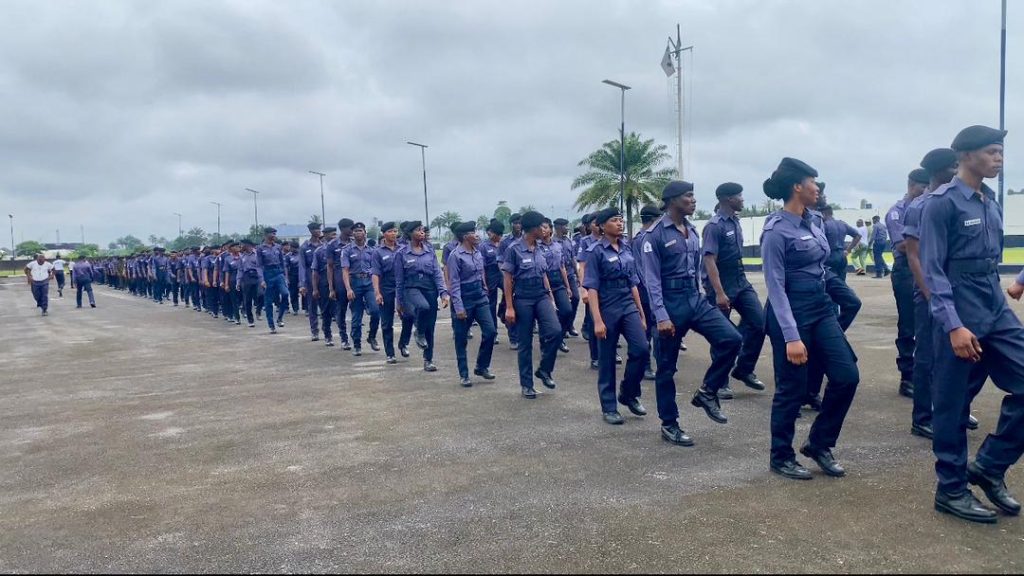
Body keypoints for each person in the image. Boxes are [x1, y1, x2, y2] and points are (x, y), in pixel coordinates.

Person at [920, 125, 1023, 524]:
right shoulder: (941, 203)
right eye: (991, 151)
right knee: (952, 405)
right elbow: (932, 270)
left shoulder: (990, 200)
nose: (999, 158)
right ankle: (950, 489)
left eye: (1001, 152)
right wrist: (953, 325)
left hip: (994, 306)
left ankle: (990, 466)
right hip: (958, 310)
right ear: (964, 156)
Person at [760, 158, 859, 481]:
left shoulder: (813, 221)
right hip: (791, 313)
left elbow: (821, 267)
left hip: (820, 308)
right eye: (813, 182)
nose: (817, 188)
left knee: (846, 376)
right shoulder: (776, 230)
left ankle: (819, 443)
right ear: (797, 187)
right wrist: (791, 336)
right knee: (792, 389)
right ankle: (781, 456)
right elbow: (775, 286)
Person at [643, 181, 742, 445]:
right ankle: (669, 424)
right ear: (672, 200)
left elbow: (696, 269)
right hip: (670, 303)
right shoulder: (654, 235)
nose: (694, 200)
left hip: (694, 298)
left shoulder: (693, 230)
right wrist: (661, 315)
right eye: (688, 196)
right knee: (666, 368)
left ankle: (708, 391)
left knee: (732, 339)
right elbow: (651, 280)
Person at [903, 147, 979, 440]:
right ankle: (923, 418)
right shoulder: (920, 206)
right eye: (953, 166)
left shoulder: (957, 201)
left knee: (963, 354)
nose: (958, 170)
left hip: (957, 291)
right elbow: (914, 256)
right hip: (929, 294)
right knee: (927, 357)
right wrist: (931, 296)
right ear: (939, 172)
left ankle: (955, 409)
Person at [701, 183, 767, 399]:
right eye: (739, 196)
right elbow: (710, 260)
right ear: (728, 199)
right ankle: (720, 382)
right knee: (722, 335)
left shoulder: (735, 222)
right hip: (721, 283)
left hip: (740, 280)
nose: (742, 199)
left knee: (759, 322)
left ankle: (744, 369)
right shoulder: (714, 226)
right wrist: (719, 293)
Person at [583, 207, 648, 424]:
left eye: (621, 220)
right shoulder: (595, 252)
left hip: (627, 303)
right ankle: (609, 407)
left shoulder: (626, 248)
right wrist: (597, 321)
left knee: (641, 349)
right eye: (614, 220)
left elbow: (633, 283)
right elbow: (592, 288)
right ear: (602, 226)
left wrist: (641, 314)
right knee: (607, 358)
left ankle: (629, 393)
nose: (620, 223)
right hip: (607, 305)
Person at [502, 211, 561, 398]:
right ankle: (527, 385)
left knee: (556, 331)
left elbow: (544, 274)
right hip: (523, 297)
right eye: (542, 227)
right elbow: (507, 279)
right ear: (533, 229)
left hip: (541, 295)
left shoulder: (541, 247)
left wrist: (550, 297)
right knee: (525, 343)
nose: (545, 230)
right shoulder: (514, 249)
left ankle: (544, 369)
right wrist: (509, 307)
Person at [886, 168, 930, 398]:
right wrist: (933, 241)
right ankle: (907, 377)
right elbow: (903, 245)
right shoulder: (897, 212)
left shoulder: (928, 206)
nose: (927, 190)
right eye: (924, 186)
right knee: (908, 324)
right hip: (906, 271)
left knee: (928, 324)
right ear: (912, 185)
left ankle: (925, 374)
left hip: (927, 267)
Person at [447, 221, 497, 386]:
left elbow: (481, 273)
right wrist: (459, 307)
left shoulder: (477, 252)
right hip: (464, 298)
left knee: (490, 331)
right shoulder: (455, 256)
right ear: (465, 236)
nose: (477, 235)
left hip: (479, 297)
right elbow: (454, 283)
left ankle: (482, 367)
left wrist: (484, 289)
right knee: (461, 339)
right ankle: (464, 374)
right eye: (473, 233)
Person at [396, 221, 449, 371]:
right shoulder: (401, 253)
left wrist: (443, 292)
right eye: (418, 230)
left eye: (422, 230)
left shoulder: (429, 250)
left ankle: (428, 360)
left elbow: (437, 273)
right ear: (410, 234)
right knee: (422, 307)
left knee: (430, 328)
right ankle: (418, 331)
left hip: (429, 288)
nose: (422, 232)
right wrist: (399, 301)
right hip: (411, 288)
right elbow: (399, 279)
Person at [633, 204, 662, 382]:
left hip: (655, 290)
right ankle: (645, 366)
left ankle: (661, 363)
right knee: (647, 331)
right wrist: (652, 289)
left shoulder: (653, 236)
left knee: (657, 329)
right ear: (652, 220)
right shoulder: (640, 239)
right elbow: (640, 268)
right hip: (645, 291)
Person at [341, 222, 380, 356]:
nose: (358, 233)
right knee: (357, 316)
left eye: (361, 230)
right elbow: (345, 270)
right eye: (356, 231)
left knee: (375, 311)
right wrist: (348, 289)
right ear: (353, 234)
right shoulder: (347, 250)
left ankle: (372, 336)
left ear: (365, 233)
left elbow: (376, 269)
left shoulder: (372, 250)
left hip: (369, 283)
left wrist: (377, 289)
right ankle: (357, 344)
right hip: (355, 282)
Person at [540, 218, 573, 354]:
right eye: (541, 228)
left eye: (545, 227)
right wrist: (549, 293)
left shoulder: (557, 246)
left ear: (551, 229)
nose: (543, 230)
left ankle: (559, 338)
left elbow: (562, 266)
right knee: (546, 315)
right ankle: (544, 344)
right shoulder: (537, 247)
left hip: (558, 281)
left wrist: (568, 286)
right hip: (543, 282)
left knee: (567, 311)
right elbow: (542, 271)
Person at [372, 222, 402, 362]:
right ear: (384, 234)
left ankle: (403, 343)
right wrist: (377, 293)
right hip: (386, 287)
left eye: (395, 231)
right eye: (390, 231)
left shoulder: (402, 249)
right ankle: (390, 353)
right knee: (387, 322)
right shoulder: (378, 252)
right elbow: (375, 273)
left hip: (402, 287)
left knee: (409, 316)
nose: (393, 234)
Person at [577, 213, 602, 369]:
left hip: (609, 288)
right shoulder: (586, 241)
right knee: (594, 321)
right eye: (594, 222)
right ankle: (595, 357)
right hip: (592, 286)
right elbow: (582, 266)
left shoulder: (613, 240)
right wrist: (583, 290)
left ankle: (609, 352)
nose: (597, 225)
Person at [497, 213, 523, 350]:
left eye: (520, 223)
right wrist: (507, 276)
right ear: (511, 224)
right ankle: (513, 337)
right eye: (515, 223)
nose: (518, 225)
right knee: (510, 306)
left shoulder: (527, 239)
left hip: (524, 280)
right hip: (510, 280)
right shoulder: (505, 242)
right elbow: (500, 261)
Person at [256, 227, 288, 334]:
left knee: (285, 294)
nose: (274, 235)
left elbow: (282, 263)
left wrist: (285, 277)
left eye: (275, 233)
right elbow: (259, 265)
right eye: (272, 233)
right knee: (268, 301)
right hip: (267, 274)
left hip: (278, 273)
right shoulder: (260, 248)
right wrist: (261, 279)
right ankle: (271, 325)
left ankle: (280, 318)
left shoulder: (278, 247)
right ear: (266, 234)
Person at [553, 218, 581, 339]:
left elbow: (573, 258)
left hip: (569, 274)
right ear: (559, 227)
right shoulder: (552, 242)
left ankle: (570, 324)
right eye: (565, 226)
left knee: (576, 298)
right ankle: (561, 327)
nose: (567, 228)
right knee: (561, 305)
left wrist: (578, 275)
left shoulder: (568, 241)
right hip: (558, 277)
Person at [819, 203, 860, 282]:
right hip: (842, 255)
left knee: (830, 281)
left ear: (823, 214)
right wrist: (848, 250)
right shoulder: (842, 223)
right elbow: (857, 236)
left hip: (830, 256)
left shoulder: (824, 225)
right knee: (842, 281)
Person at [311, 227, 338, 346]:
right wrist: (315, 289)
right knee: (326, 310)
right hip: (324, 283)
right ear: (325, 235)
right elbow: (315, 271)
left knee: (339, 309)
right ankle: (328, 335)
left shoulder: (340, 249)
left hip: (338, 280)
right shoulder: (319, 251)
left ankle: (345, 337)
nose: (334, 237)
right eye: (332, 235)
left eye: (335, 234)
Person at [482, 220, 506, 343]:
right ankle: (493, 332)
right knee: (491, 305)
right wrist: (484, 283)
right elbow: (482, 267)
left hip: (503, 273)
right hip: (490, 274)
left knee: (510, 296)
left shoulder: (504, 244)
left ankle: (502, 310)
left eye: (492, 232)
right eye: (489, 232)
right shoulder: (484, 246)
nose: (489, 234)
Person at [299, 223, 323, 337]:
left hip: (323, 278)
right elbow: (302, 267)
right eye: (316, 229)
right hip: (310, 279)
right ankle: (314, 331)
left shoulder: (324, 245)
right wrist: (302, 284)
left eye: (319, 229)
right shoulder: (304, 247)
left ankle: (326, 329)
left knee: (325, 306)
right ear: (311, 231)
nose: (318, 231)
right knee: (312, 306)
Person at [221, 242, 242, 325]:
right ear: (231, 248)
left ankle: (244, 311)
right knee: (234, 299)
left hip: (243, 280)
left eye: (238, 246)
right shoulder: (228, 259)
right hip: (232, 280)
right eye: (235, 246)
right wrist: (226, 284)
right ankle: (236, 317)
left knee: (243, 298)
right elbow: (227, 272)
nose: (238, 248)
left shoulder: (243, 256)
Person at [284, 241, 301, 316]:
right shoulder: (288, 256)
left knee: (304, 292)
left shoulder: (301, 254)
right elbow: (286, 267)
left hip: (301, 275)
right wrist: (287, 278)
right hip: (292, 276)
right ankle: (295, 309)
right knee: (293, 293)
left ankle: (307, 309)